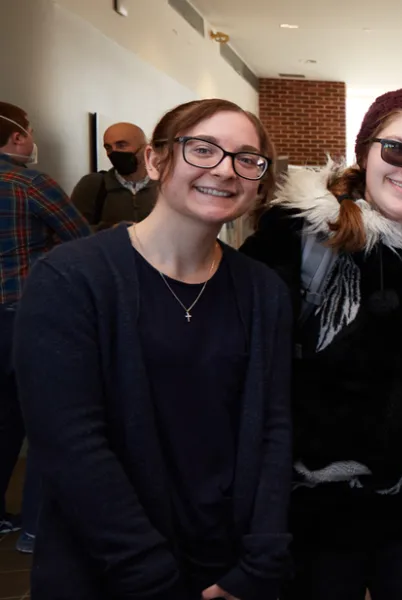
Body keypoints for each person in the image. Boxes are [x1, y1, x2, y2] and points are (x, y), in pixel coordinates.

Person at [12, 98, 292, 599]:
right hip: (108, 567)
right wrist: (146, 571)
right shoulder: (73, 277)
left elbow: (273, 426)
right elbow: (70, 441)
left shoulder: (262, 290)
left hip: (225, 568)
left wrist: (261, 557)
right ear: (155, 160)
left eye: (247, 159)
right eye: (203, 149)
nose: (226, 171)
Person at [239, 88, 402, 600]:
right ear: (365, 151)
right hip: (316, 506)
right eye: (396, 150)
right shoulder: (300, 234)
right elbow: (249, 370)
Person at [0, 101, 91, 554]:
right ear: (18, 137)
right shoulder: (28, 182)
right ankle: (36, 528)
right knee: (44, 420)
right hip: (20, 314)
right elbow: (82, 241)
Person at [71, 122, 158, 230]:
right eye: (108, 147)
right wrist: (111, 230)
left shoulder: (165, 184)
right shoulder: (93, 185)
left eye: (121, 145)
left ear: (145, 149)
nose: (114, 152)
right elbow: (73, 232)